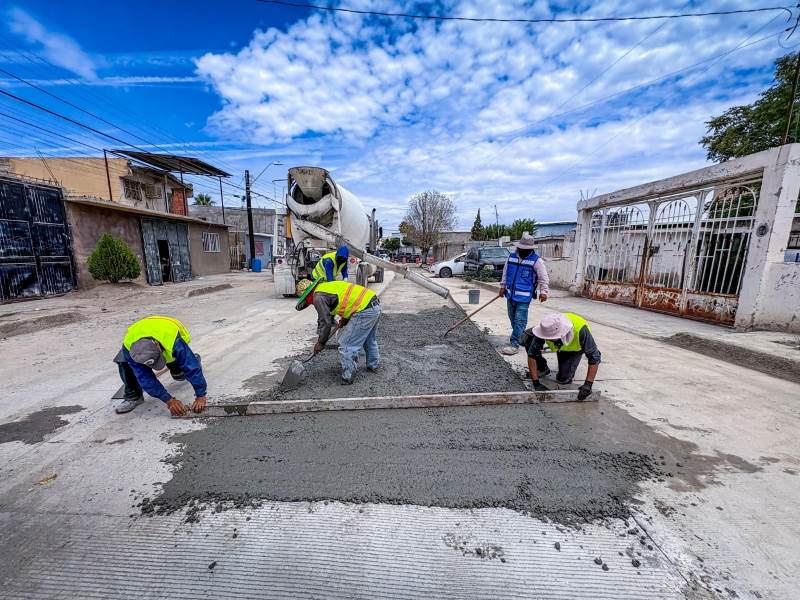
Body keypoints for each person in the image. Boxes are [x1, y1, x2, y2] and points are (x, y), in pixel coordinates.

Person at [113, 315, 207, 416]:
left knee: (180, 374)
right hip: (142, 332)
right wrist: (168, 400)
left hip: (166, 329)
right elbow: (145, 378)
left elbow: (191, 368)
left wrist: (200, 395)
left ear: (157, 344)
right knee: (124, 363)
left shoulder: (173, 341)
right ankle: (133, 396)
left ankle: (194, 359)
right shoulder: (129, 348)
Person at [296, 278, 381, 384]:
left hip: (364, 310)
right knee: (369, 339)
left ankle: (348, 376)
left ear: (307, 296)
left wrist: (320, 343)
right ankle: (373, 365)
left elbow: (325, 323)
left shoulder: (317, 297)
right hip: (374, 305)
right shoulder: (325, 287)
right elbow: (347, 299)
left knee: (346, 344)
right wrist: (345, 318)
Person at [525, 312, 600, 401]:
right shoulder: (546, 328)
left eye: (550, 338)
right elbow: (532, 355)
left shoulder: (581, 331)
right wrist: (536, 383)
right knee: (527, 336)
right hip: (560, 345)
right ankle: (542, 368)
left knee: (563, 379)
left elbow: (594, 357)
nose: (547, 340)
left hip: (574, 349)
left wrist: (588, 384)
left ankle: (570, 359)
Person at [498, 233, 549, 355]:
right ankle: (522, 337)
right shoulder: (511, 257)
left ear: (530, 249)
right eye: (521, 248)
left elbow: (543, 277)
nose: (522, 251)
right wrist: (502, 286)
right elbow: (505, 273)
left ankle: (514, 344)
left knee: (520, 320)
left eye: (525, 249)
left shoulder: (536, 261)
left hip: (524, 297)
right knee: (513, 319)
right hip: (510, 294)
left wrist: (543, 292)